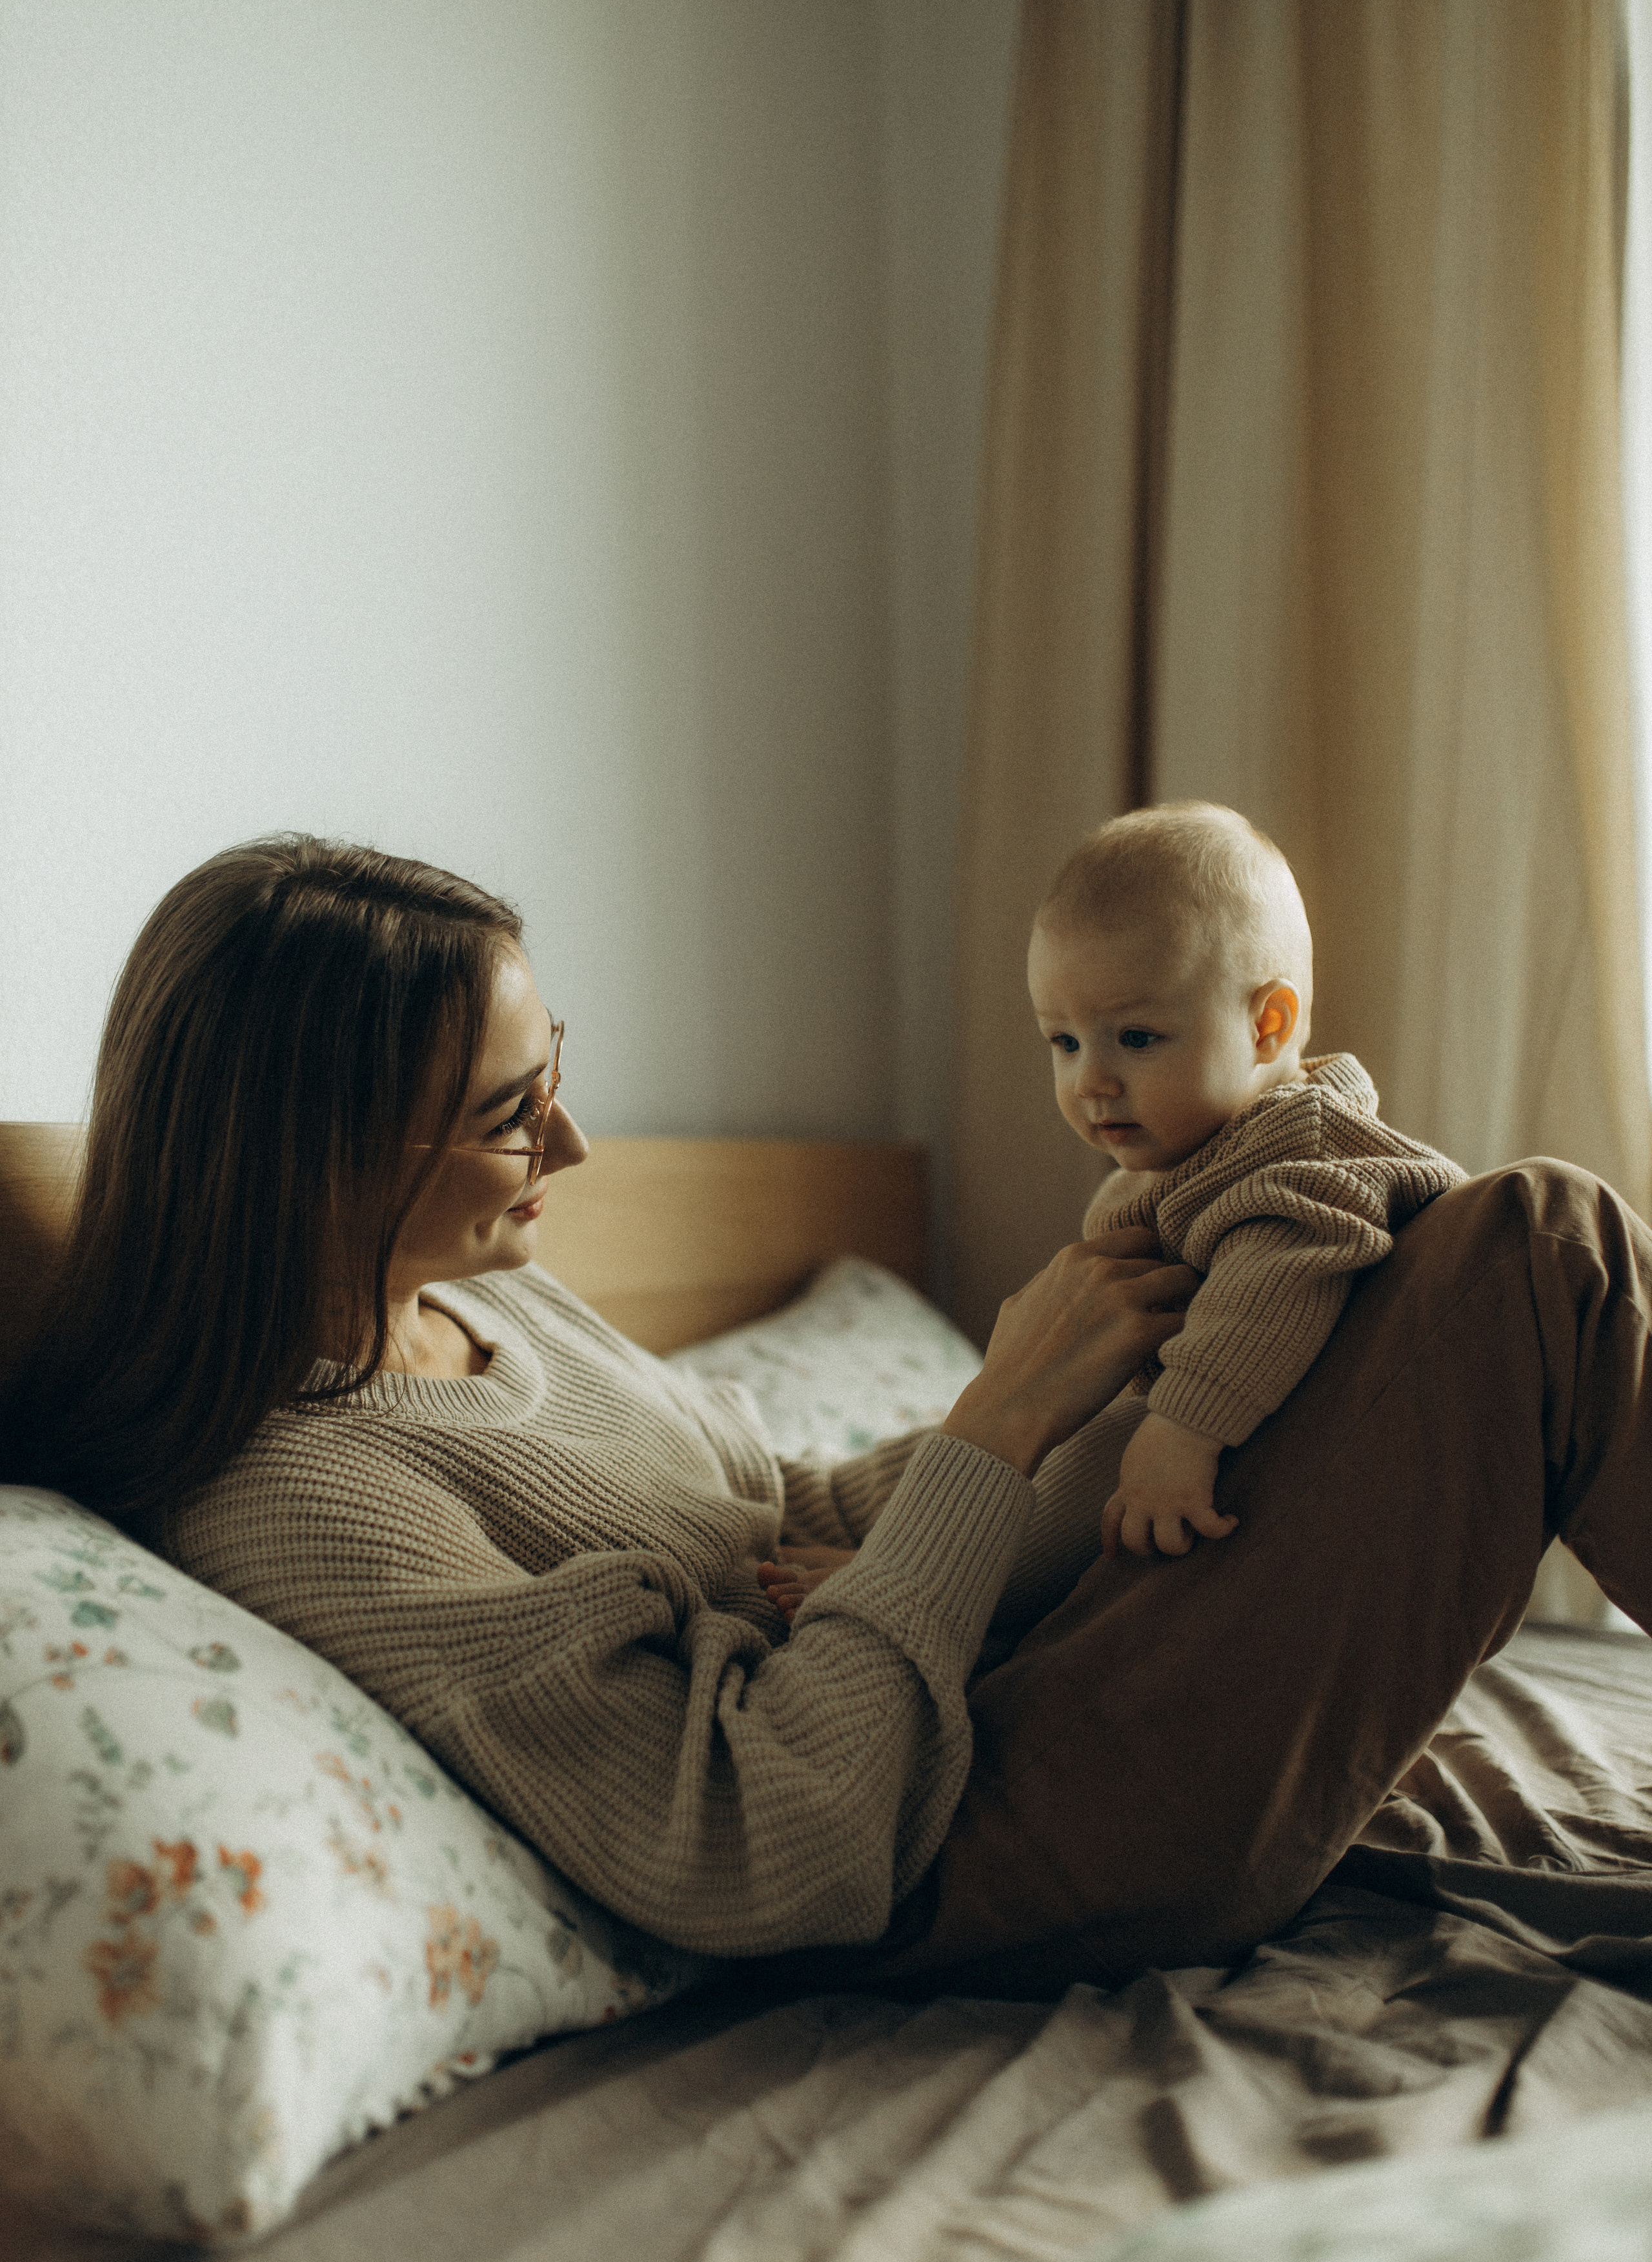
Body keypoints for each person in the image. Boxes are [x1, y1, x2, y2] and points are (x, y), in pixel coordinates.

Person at [11, 834, 1652, 1999]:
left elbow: (784, 1516)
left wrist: (1093, 1404)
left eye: (555, 1069)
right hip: (956, 1839)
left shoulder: (486, 1298)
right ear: (321, 1156)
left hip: (992, 1681)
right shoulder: (296, 1488)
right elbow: (758, 1840)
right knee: (1540, 1247)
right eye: (514, 1115)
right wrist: (993, 1426)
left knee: (1447, 1252)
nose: (575, 1148)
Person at [1031, 802, 1467, 1564]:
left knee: (1097, 1461)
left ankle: (952, 1584)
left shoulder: (1304, 1146)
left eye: (1135, 1038)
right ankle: (921, 1544)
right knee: (1048, 1442)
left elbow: (1277, 1278)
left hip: (1319, 1465)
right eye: (1063, 1042)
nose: (1090, 1079)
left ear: (1267, 1025)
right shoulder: (1172, 1174)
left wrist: (1181, 1429)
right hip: (1248, 1450)